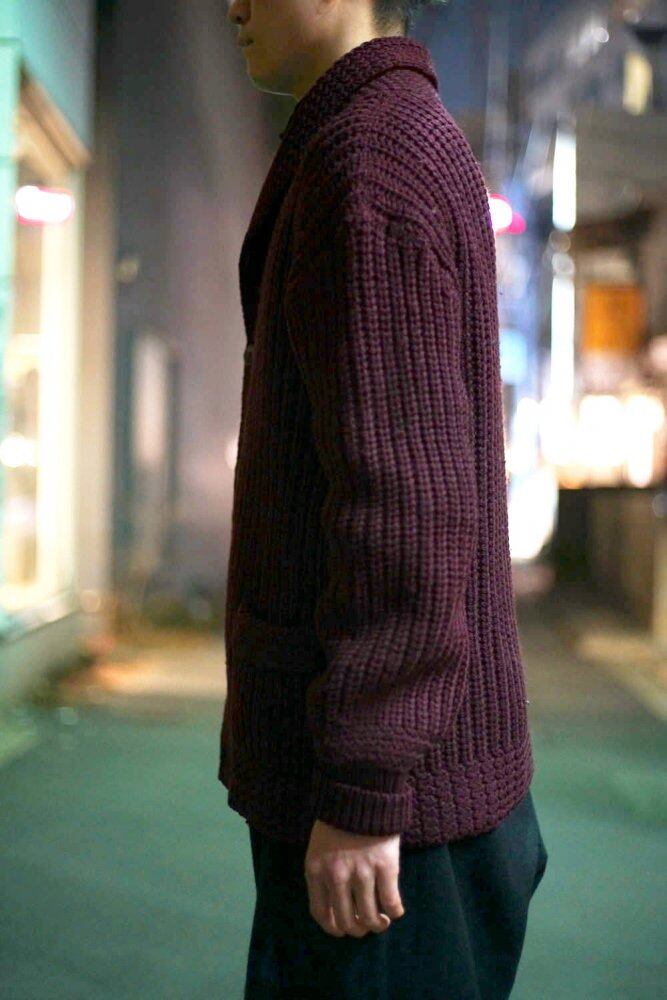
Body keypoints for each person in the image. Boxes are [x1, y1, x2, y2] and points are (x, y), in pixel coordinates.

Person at [220, 2, 549, 997]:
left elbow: (404, 502)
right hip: (420, 794)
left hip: (396, 821)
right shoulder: (387, 138)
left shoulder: (366, 163)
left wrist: (364, 785)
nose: (231, 5)